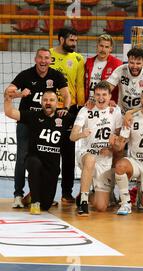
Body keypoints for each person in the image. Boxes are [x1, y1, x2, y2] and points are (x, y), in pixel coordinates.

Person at [4, 47, 70, 208]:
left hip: (46, 121)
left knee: (47, 159)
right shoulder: (25, 75)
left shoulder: (56, 75)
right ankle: (18, 195)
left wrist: (65, 109)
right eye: (40, 57)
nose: (43, 61)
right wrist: (20, 94)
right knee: (22, 158)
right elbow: (8, 92)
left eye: (46, 58)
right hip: (27, 121)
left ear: (50, 60)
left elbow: (67, 95)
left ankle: (40, 194)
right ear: (35, 59)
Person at [4, 90, 73, 214]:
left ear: (57, 103)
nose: (48, 103)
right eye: (45, 100)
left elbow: (83, 121)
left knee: (46, 206)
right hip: (34, 159)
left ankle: (32, 196)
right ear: (41, 102)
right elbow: (10, 112)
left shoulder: (64, 117)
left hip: (52, 166)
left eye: (51, 100)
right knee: (33, 163)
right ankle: (34, 202)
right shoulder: (34, 115)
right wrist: (8, 98)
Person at [70, 81, 123, 216]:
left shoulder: (116, 111)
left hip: (105, 158)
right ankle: (83, 202)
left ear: (110, 96)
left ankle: (90, 194)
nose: (101, 98)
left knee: (101, 207)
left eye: (104, 95)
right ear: (93, 95)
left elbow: (118, 138)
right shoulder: (86, 110)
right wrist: (82, 133)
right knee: (90, 159)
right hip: (86, 154)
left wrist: (111, 147)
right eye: (98, 95)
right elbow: (72, 136)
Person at [50, 27, 85, 204]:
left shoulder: (78, 59)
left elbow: (79, 86)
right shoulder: (47, 56)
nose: (74, 44)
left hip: (69, 111)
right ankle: (43, 193)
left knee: (68, 154)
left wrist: (79, 110)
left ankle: (66, 194)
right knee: (48, 154)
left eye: (76, 41)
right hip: (48, 110)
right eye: (71, 41)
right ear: (61, 39)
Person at [84, 34, 122, 104]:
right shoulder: (88, 62)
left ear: (110, 49)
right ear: (97, 46)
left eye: (106, 47)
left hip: (107, 105)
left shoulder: (117, 64)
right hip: (90, 103)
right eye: (101, 46)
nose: (103, 49)